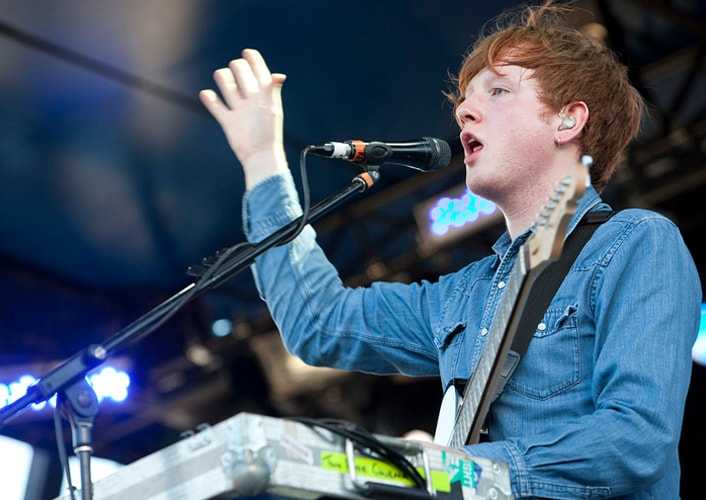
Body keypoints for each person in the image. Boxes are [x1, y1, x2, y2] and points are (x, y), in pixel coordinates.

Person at [198, 2, 701, 498]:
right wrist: (262, 159)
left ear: (567, 121)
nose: (463, 110)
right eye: (464, 98)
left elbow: (635, 440)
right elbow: (319, 322)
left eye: (498, 90)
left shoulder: (634, 242)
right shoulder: (463, 296)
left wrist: (461, 470)